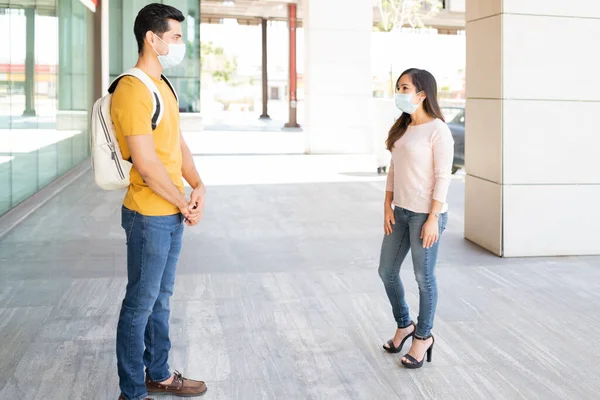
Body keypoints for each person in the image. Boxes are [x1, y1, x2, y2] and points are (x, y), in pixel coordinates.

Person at [111, 4, 207, 399]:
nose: (181, 44)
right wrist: (184, 203)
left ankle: (160, 373)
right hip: (148, 215)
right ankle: (133, 391)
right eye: (175, 36)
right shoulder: (132, 89)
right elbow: (148, 166)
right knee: (139, 306)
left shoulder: (161, 84)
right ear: (152, 38)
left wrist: (197, 183)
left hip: (169, 212)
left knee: (160, 300)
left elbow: (175, 141)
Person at [378, 68, 454, 369]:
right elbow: (394, 169)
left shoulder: (438, 130)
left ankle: (423, 336)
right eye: (398, 86)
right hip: (400, 211)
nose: (400, 92)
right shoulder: (403, 127)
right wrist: (387, 205)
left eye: (405, 87)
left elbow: (442, 177)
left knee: (424, 277)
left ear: (422, 94)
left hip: (426, 215)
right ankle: (404, 324)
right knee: (387, 271)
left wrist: (433, 217)